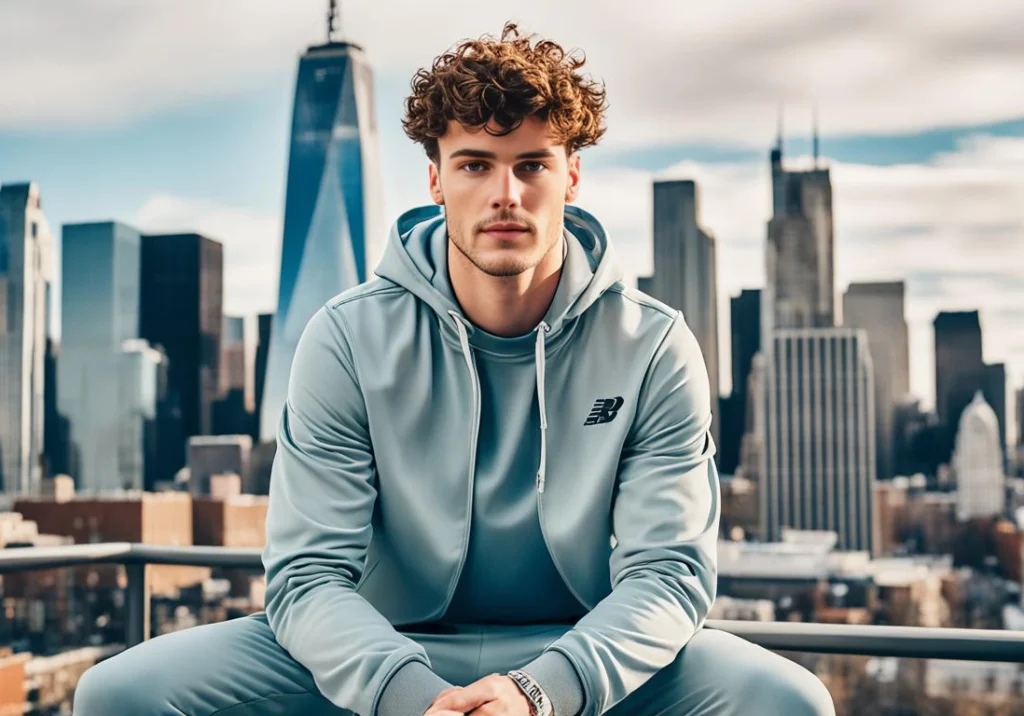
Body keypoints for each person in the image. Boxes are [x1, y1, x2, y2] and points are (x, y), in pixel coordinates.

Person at [73, 22, 835, 716]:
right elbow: (305, 581)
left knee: (790, 702)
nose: (505, 195)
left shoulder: (654, 346)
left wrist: (540, 693)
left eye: (532, 164)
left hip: (575, 649)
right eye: (475, 164)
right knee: (118, 692)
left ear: (572, 177)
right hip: (383, 644)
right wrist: (412, 697)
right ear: (435, 180)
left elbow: (667, 577)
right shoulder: (344, 338)